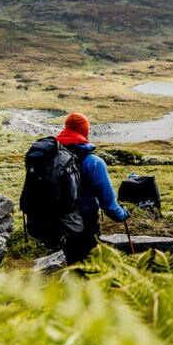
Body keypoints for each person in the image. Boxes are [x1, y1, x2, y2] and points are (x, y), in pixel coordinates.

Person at [55, 112, 129, 265]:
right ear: (85, 131)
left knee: (73, 263)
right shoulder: (94, 162)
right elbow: (108, 205)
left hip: (58, 223)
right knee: (89, 267)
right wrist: (123, 215)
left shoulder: (54, 158)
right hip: (84, 225)